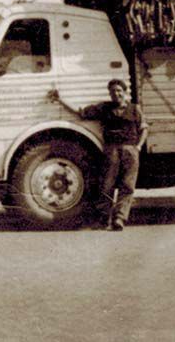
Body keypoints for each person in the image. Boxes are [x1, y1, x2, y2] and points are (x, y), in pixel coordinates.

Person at [47, 79, 148, 231]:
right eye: (113, 91)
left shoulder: (135, 109)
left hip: (130, 150)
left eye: (119, 91)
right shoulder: (104, 108)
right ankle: (104, 219)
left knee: (127, 186)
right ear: (110, 93)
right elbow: (81, 113)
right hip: (111, 150)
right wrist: (60, 100)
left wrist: (138, 147)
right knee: (107, 185)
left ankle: (119, 219)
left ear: (125, 92)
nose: (116, 94)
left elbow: (144, 128)